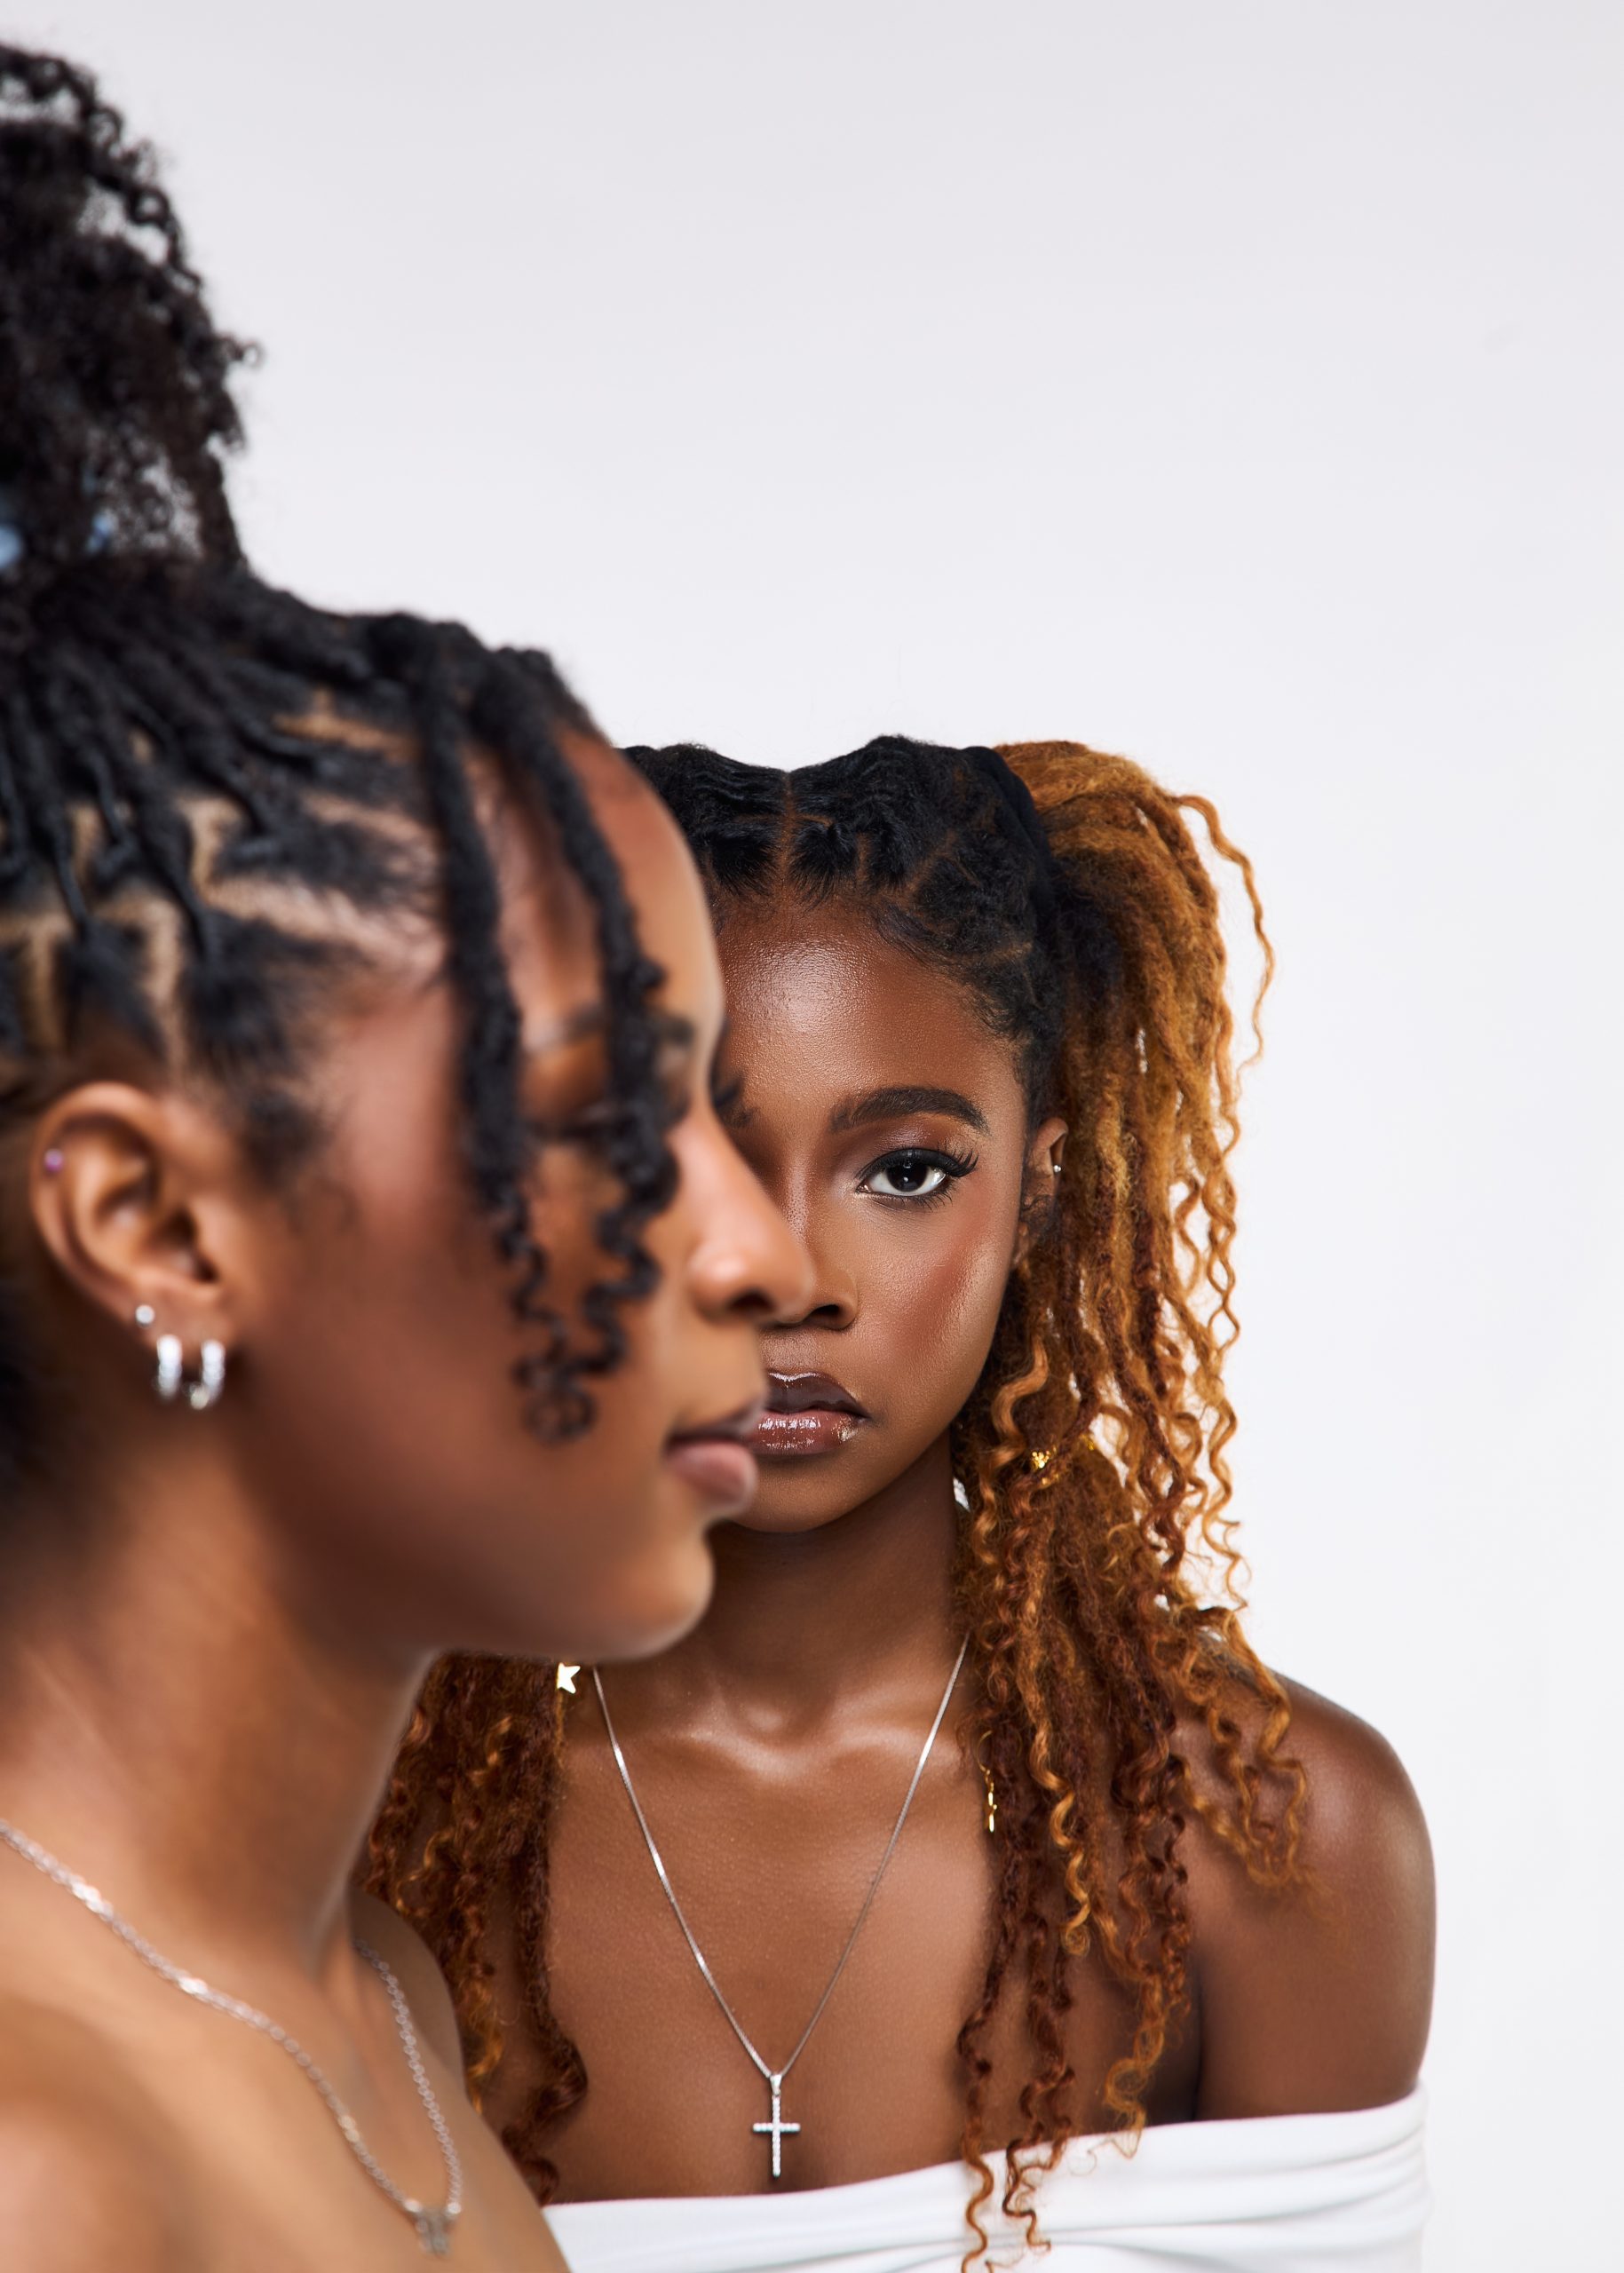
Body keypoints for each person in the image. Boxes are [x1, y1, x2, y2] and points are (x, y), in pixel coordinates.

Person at [0, 48, 811, 2271]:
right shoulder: (39, 2164)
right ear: (157, 1222)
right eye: (605, 1113)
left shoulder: (374, 2002)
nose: (758, 1246)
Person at [370, 735, 1437, 2270]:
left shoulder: (1267, 1837)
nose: (790, 1277)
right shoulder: (376, 1836)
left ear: (1040, 1189)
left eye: (907, 1172)